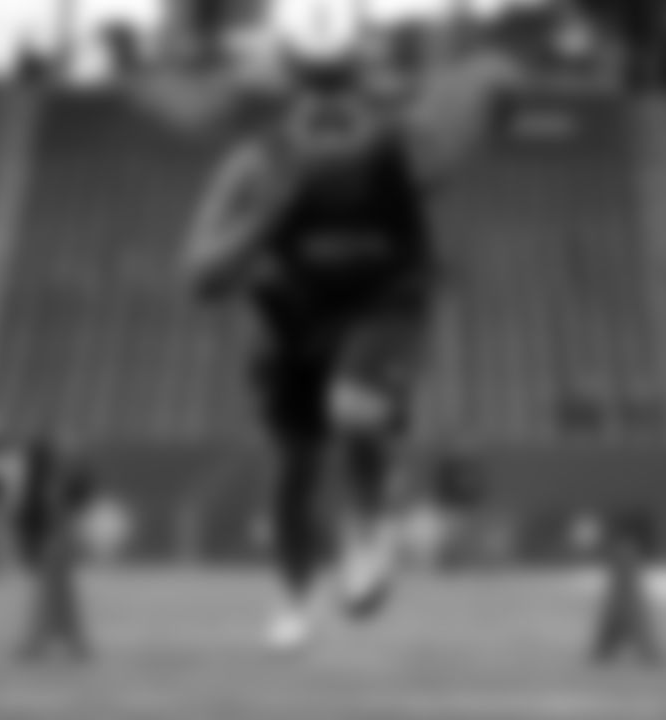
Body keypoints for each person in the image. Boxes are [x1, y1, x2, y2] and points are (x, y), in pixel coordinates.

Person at [179, 37, 525, 649]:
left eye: (342, 89)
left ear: (363, 92)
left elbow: (494, 72)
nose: (331, 108)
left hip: (385, 304)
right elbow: (201, 276)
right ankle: (293, 596)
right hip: (292, 318)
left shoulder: (408, 149)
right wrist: (266, 221)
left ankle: (367, 531)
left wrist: (502, 88)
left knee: (354, 406)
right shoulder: (257, 165)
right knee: (295, 465)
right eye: (317, 91)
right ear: (295, 97)